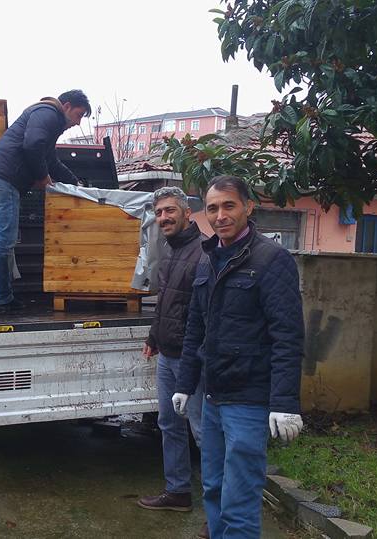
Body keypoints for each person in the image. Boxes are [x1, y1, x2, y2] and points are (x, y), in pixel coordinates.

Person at [172, 175, 305, 539]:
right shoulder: (208, 259)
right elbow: (195, 328)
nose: (220, 216)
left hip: (248, 399)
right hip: (212, 395)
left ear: (248, 206)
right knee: (213, 487)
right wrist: (185, 383)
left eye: (228, 206)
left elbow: (287, 335)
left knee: (239, 497)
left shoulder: (271, 260)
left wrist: (284, 403)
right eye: (212, 208)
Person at [0, 90, 91, 314]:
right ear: (67, 106)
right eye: (78, 115)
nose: (78, 122)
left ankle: (3, 297)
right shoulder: (48, 112)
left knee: (2, 240)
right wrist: (42, 176)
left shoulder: (48, 121)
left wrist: (76, 183)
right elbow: (32, 145)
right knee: (5, 238)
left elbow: (51, 161)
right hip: (4, 179)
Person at [137, 187, 207, 521]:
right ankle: (178, 492)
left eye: (170, 211)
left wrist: (193, 355)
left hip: (191, 359)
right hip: (167, 353)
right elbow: (166, 299)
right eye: (159, 212)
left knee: (203, 432)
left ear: (187, 212)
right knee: (169, 424)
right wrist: (154, 336)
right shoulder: (170, 249)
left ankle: (220, 513)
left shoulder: (204, 252)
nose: (163, 218)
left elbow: (202, 314)